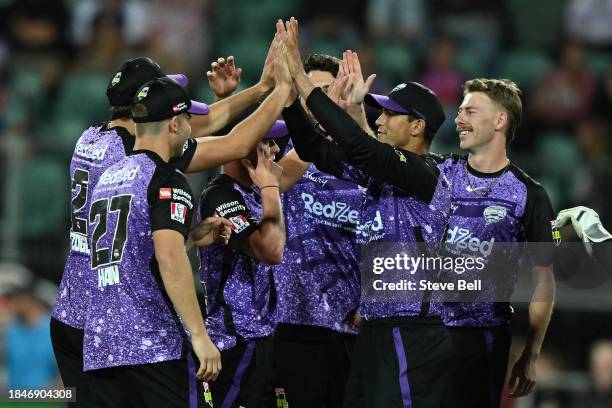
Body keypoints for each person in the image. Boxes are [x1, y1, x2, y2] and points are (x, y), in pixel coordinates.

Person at [52, 25, 289, 403]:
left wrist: (258, 89)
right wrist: (280, 90)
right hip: (116, 320)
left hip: (74, 312)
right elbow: (233, 142)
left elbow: (201, 121)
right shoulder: (139, 160)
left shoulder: (91, 140)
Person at [281, 17, 453, 408]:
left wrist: (301, 74)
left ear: (417, 126)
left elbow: (359, 147)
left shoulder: (426, 174)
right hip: (376, 331)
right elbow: (314, 150)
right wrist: (292, 92)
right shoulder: (382, 176)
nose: (380, 119)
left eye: (391, 114)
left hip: (413, 332)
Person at [82, 77, 230, 407]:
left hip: (101, 350)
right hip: (153, 346)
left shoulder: (108, 176)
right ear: (175, 123)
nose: (192, 126)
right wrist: (200, 336)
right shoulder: (165, 178)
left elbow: (127, 254)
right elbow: (168, 259)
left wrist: (187, 238)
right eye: (189, 119)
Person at [436, 78, 556, 407]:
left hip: (482, 340)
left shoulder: (530, 195)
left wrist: (531, 353)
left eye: (470, 111)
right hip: (425, 330)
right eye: (460, 111)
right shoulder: (439, 173)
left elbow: (544, 281)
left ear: (500, 120)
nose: (459, 119)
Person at [272, 53, 365, 408]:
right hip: (293, 320)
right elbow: (271, 183)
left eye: (328, 91)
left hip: (350, 325)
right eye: (311, 91)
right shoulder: (279, 148)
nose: (321, 100)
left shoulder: (365, 158)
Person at [198, 133, 291, 406]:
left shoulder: (254, 189)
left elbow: (302, 160)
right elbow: (270, 250)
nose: (275, 150)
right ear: (241, 146)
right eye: (267, 142)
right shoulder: (220, 195)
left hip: (265, 340)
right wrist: (271, 187)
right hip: (236, 342)